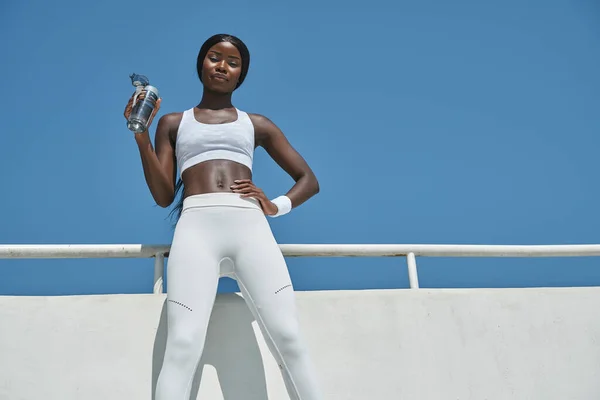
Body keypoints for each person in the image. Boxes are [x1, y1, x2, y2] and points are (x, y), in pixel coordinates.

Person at [123, 33, 323, 399]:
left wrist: (274, 204)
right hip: (196, 230)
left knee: (289, 337)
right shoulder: (172, 122)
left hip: (250, 228)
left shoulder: (256, 124)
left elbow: (308, 180)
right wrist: (141, 136)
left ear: (240, 75)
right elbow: (164, 195)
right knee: (182, 343)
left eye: (233, 63)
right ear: (201, 63)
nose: (222, 66)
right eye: (215, 57)